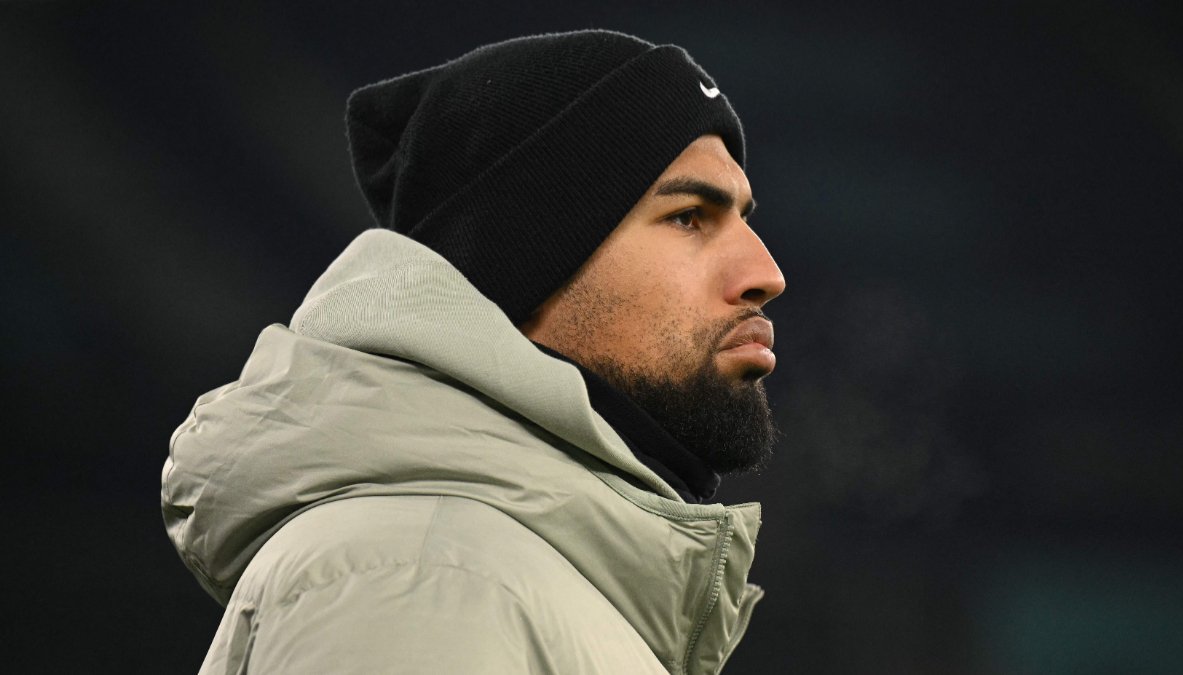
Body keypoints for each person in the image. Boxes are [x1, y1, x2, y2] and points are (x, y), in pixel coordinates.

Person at [163, 29, 785, 674]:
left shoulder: (492, 578)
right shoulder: (422, 578)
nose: (767, 271)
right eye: (688, 216)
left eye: (745, 217)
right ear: (526, 264)